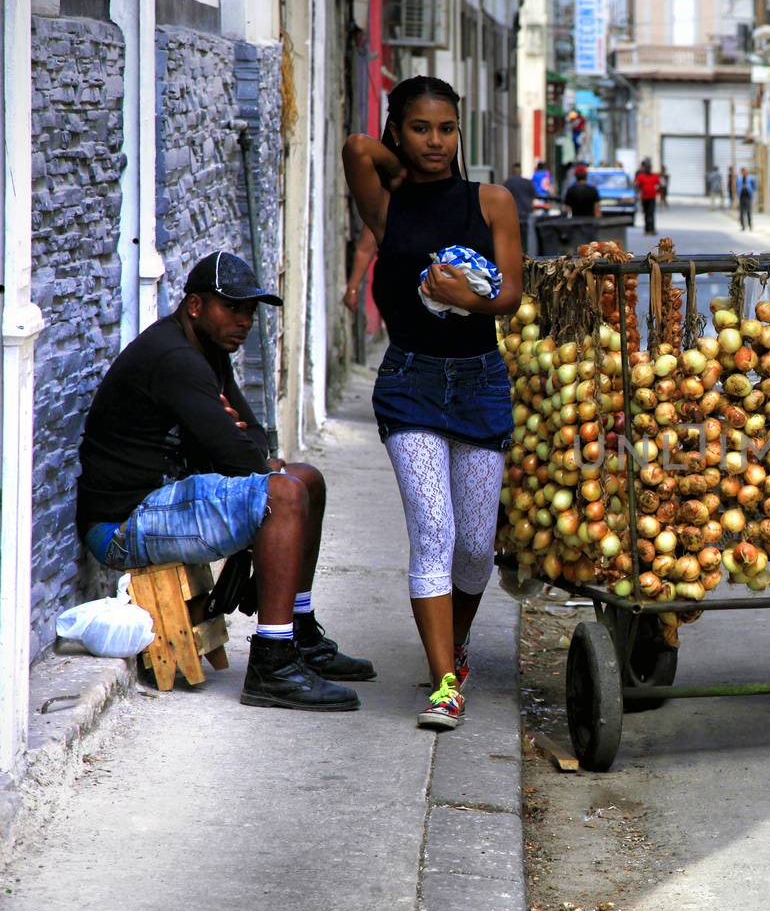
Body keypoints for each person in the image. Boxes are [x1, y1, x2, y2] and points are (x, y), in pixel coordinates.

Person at [76, 252, 371, 712]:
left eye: (250, 311)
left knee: (308, 480)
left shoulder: (210, 351)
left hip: (165, 505)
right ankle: (272, 665)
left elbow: (250, 436)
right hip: (123, 524)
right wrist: (243, 447)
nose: (245, 320)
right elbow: (242, 457)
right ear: (195, 306)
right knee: (285, 492)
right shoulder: (174, 358)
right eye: (232, 308)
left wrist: (242, 442)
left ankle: (301, 631)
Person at [341, 75, 524, 732]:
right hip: (410, 385)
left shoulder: (492, 201)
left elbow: (509, 296)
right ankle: (444, 679)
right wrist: (400, 155)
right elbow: (356, 149)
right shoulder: (387, 208)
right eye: (420, 128)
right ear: (401, 131)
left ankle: (457, 643)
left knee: (476, 546)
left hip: (479, 383)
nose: (436, 142)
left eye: (446, 129)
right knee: (435, 533)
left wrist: (465, 299)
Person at [634, 158, 661, 235]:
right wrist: (637, 192)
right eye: (647, 167)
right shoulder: (641, 176)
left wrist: (658, 192)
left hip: (652, 197)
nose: (648, 169)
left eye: (649, 167)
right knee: (646, 213)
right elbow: (637, 185)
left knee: (651, 213)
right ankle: (646, 230)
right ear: (644, 168)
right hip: (644, 197)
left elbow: (660, 184)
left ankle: (652, 229)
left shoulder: (655, 176)